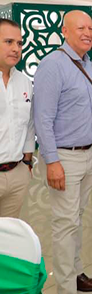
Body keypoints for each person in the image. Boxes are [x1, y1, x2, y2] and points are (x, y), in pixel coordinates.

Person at [33, 10, 92, 294]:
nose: (87, 32)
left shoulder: (87, 63)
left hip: (88, 154)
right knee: (64, 224)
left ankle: (76, 274)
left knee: (77, 218)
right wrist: (52, 161)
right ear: (65, 31)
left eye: (90, 28)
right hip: (64, 156)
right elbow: (43, 118)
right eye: (80, 28)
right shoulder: (53, 64)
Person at [0, 19, 34, 218]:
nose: (16, 49)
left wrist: (27, 162)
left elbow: (29, 124)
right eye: (9, 42)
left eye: (19, 43)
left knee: (8, 233)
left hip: (16, 173)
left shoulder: (24, 82)